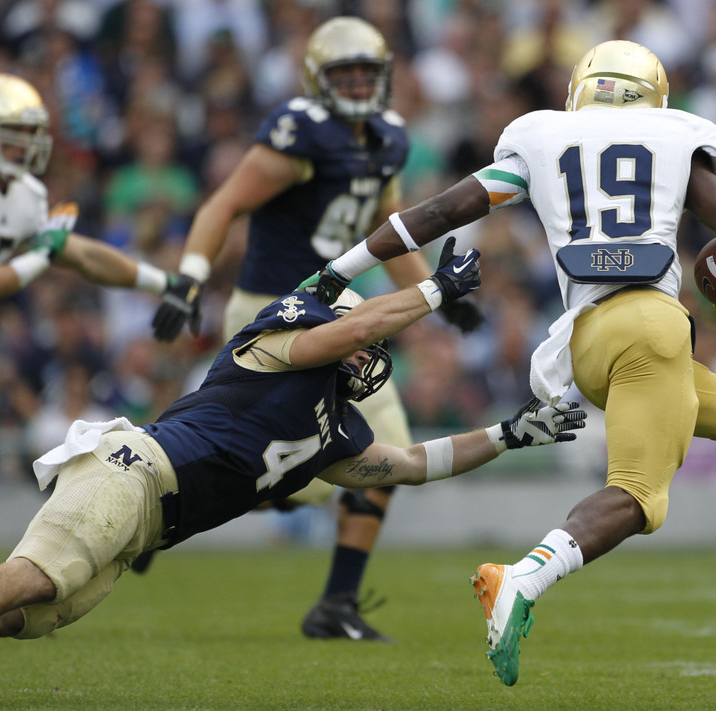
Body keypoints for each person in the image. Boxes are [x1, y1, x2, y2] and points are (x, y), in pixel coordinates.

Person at [307, 40, 716, 685]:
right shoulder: (675, 138)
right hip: (651, 327)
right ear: (653, 93)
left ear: (583, 87)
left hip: (589, 339)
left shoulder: (545, 139)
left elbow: (434, 214)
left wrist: (333, 274)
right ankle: (521, 579)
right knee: (637, 496)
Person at [0, 241, 586, 705]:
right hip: (134, 472)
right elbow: (342, 334)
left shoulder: (337, 431)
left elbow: (412, 463)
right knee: (32, 575)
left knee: (15, 613)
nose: (368, 356)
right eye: (363, 339)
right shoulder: (278, 347)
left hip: (149, 523)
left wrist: (507, 434)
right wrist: (434, 288)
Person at [149, 15, 482, 641]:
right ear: (317, 77)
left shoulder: (388, 137)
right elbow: (224, 204)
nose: (357, 83)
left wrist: (432, 291)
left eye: (367, 71)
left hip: (336, 308)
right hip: (272, 309)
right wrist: (189, 276)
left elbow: (386, 224)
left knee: (340, 468)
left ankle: (332, 600)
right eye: (344, 72)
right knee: (323, 458)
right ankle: (159, 493)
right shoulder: (299, 134)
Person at [0, 73, 184, 528]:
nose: (29, 146)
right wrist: (40, 256)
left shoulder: (23, 196)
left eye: (32, 135)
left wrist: (164, 282)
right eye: (16, 136)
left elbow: (82, 255)